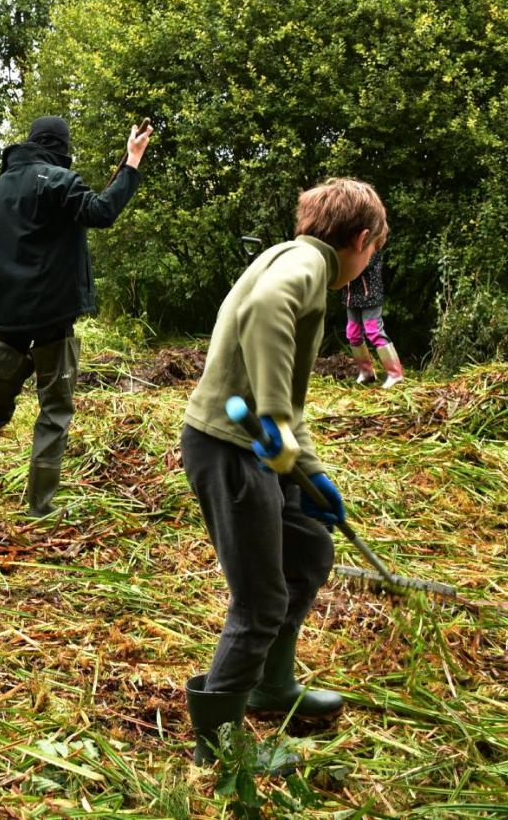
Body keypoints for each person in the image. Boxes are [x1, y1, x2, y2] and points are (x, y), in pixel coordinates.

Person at [179, 178, 389, 767]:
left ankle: (272, 685)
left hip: (256, 448)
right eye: (373, 252)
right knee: (259, 601)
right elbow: (269, 311)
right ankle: (219, 748)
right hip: (230, 448)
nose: (369, 261)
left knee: (309, 552)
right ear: (362, 239)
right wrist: (272, 418)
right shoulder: (304, 267)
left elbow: (291, 407)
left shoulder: (296, 255)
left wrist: (311, 474)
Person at [0, 115, 152, 520]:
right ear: (60, 145)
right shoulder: (58, 180)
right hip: (52, 324)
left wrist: (6, 274)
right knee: (54, 411)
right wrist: (132, 161)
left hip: (5, 323)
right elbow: (101, 212)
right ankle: (40, 507)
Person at [343, 247, 404, 387]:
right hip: (351, 298)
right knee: (353, 334)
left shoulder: (370, 245)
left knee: (373, 331)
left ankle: (395, 374)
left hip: (369, 296)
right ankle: (366, 373)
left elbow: (361, 266)